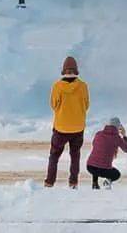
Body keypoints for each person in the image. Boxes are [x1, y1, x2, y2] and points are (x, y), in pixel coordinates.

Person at [45, 55, 90, 189]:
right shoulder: (83, 86)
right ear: (76, 71)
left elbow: (53, 105)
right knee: (75, 155)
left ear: (63, 71)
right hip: (78, 127)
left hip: (61, 127)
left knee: (54, 155)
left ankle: (49, 182)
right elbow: (86, 104)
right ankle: (73, 182)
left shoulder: (57, 86)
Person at [86, 116, 127, 189]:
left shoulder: (98, 134)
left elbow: (94, 144)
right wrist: (124, 135)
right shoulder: (117, 138)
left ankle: (95, 183)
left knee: (96, 161)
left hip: (90, 167)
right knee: (116, 174)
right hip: (104, 170)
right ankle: (107, 182)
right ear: (118, 127)